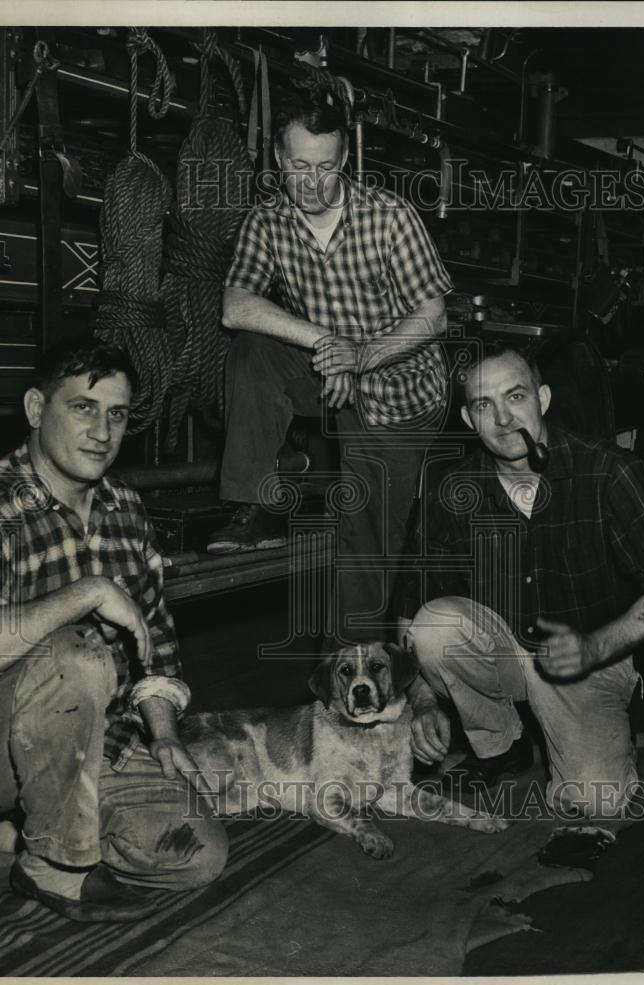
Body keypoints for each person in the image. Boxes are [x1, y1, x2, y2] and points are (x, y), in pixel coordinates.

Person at [0, 336, 228, 922]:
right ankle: (56, 869)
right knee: (78, 652)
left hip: (88, 742)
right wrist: (87, 593)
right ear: (37, 410)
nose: (103, 431)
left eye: (116, 414)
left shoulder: (125, 507)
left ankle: (3, 836)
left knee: (196, 856)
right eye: (83, 407)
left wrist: (163, 733)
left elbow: (158, 642)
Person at [208, 88, 453, 647]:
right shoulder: (267, 221)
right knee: (252, 349)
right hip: (330, 368)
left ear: (343, 160)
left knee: (364, 531)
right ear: (277, 157)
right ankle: (253, 504)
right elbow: (235, 306)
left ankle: (354, 663)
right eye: (298, 166)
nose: (312, 183)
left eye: (325, 167)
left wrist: (363, 355)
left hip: (399, 392)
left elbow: (433, 317)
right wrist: (329, 343)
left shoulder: (389, 217)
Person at [397, 340, 644, 820]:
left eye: (516, 396)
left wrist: (595, 647)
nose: (503, 419)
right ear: (469, 421)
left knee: (596, 802)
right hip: (504, 650)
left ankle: (613, 720)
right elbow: (409, 608)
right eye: (485, 405)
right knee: (432, 625)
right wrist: (420, 701)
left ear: (543, 399)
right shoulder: (452, 491)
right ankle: (501, 742)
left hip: (589, 657)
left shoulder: (610, 472)